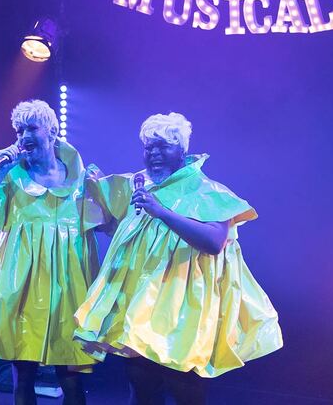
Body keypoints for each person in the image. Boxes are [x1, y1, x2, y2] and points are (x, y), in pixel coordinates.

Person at [74, 112, 283, 404]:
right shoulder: (140, 186)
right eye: (149, 147)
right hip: (141, 304)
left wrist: (162, 212)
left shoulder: (206, 190)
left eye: (163, 147)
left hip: (185, 310)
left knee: (185, 390)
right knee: (141, 386)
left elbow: (214, 242)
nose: (154, 154)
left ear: (182, 150)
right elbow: (104, 214)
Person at [0, 100, 104, 405]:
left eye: (31, 128)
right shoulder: (10, 174)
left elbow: (105, 221)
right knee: (23, 377)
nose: (23, 136)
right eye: (19, 130)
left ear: (52, 130)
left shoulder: (79, 177)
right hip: (22, 286)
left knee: (70, 379)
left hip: (67, 287)